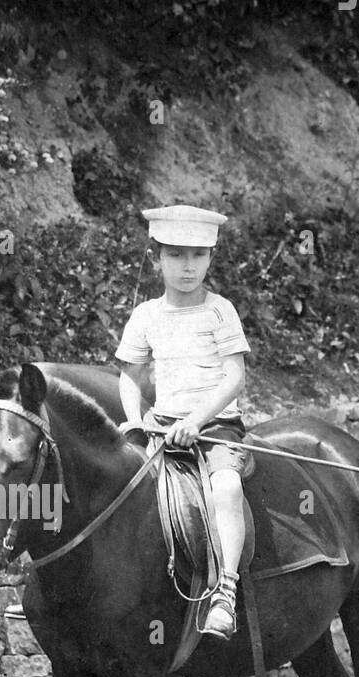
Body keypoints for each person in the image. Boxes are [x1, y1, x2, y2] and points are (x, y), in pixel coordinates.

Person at [115, 204, 251, 638]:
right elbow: (130, 375)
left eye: (197, 255)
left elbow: (235, 377)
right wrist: (133, 419)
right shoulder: (146, 315)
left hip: (214, 428)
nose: (187, 266)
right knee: (113, 489)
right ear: (156, 258)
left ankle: (225, 591)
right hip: (160, 428)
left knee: (226, 489)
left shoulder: (220, 311)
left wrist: (196, 421)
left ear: (211, 258)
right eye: (175, 255)